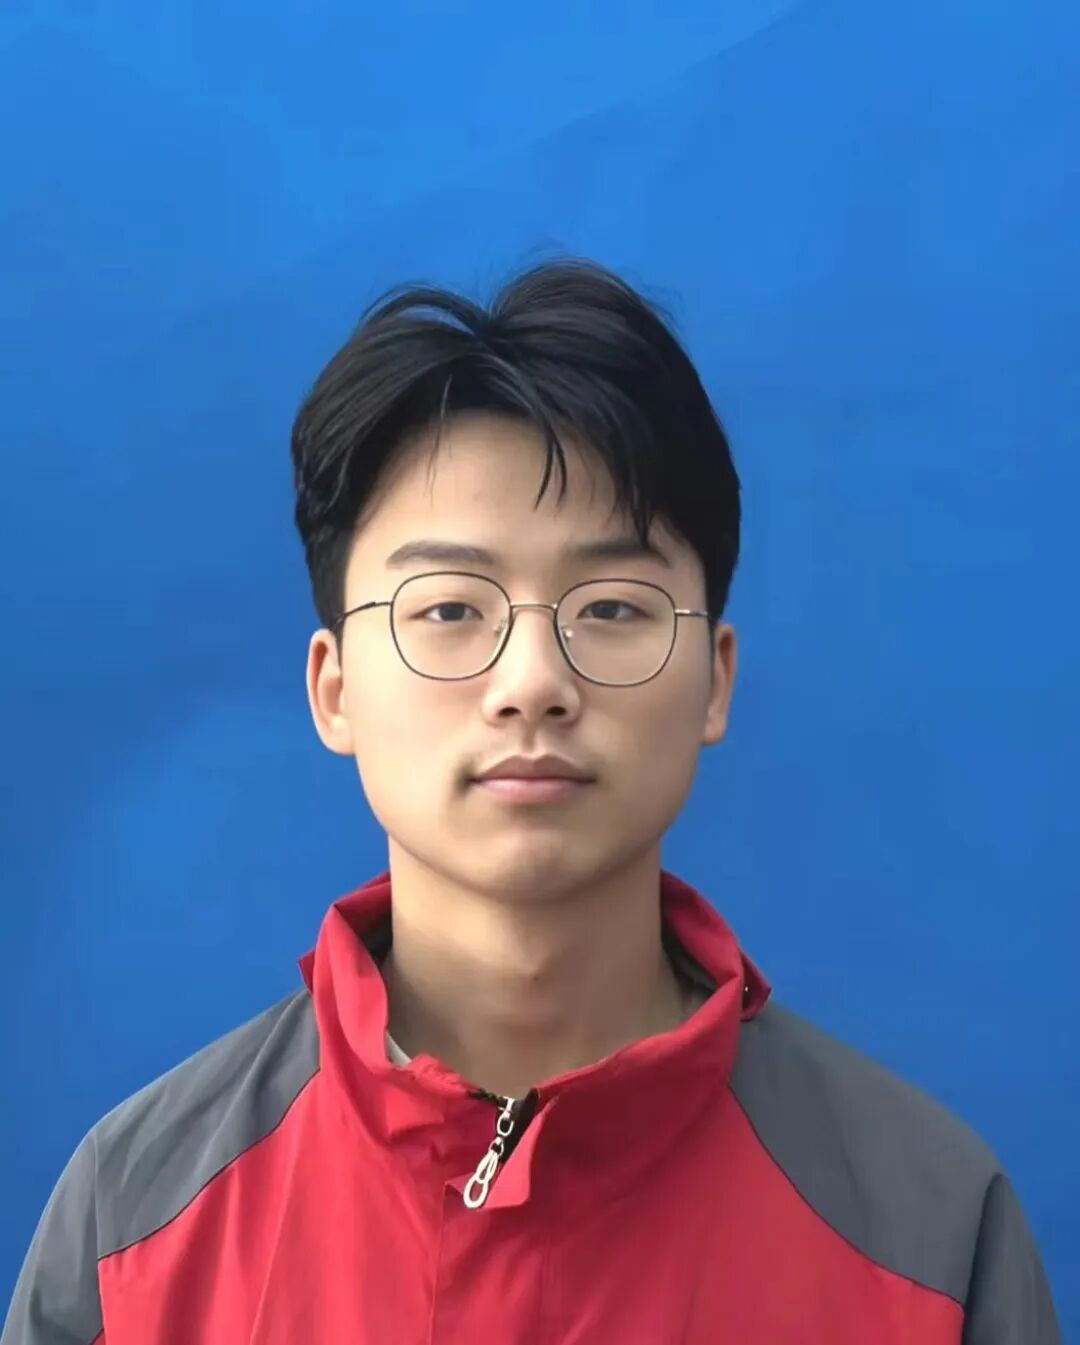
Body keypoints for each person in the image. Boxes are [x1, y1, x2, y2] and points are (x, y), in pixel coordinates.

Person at [2, 260, 1060, 1344]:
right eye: (450, 608)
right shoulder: (135, 1230)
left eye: (611, 607)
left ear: (716, 678)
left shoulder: (929, 1241)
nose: (532, 683)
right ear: (334, 688)